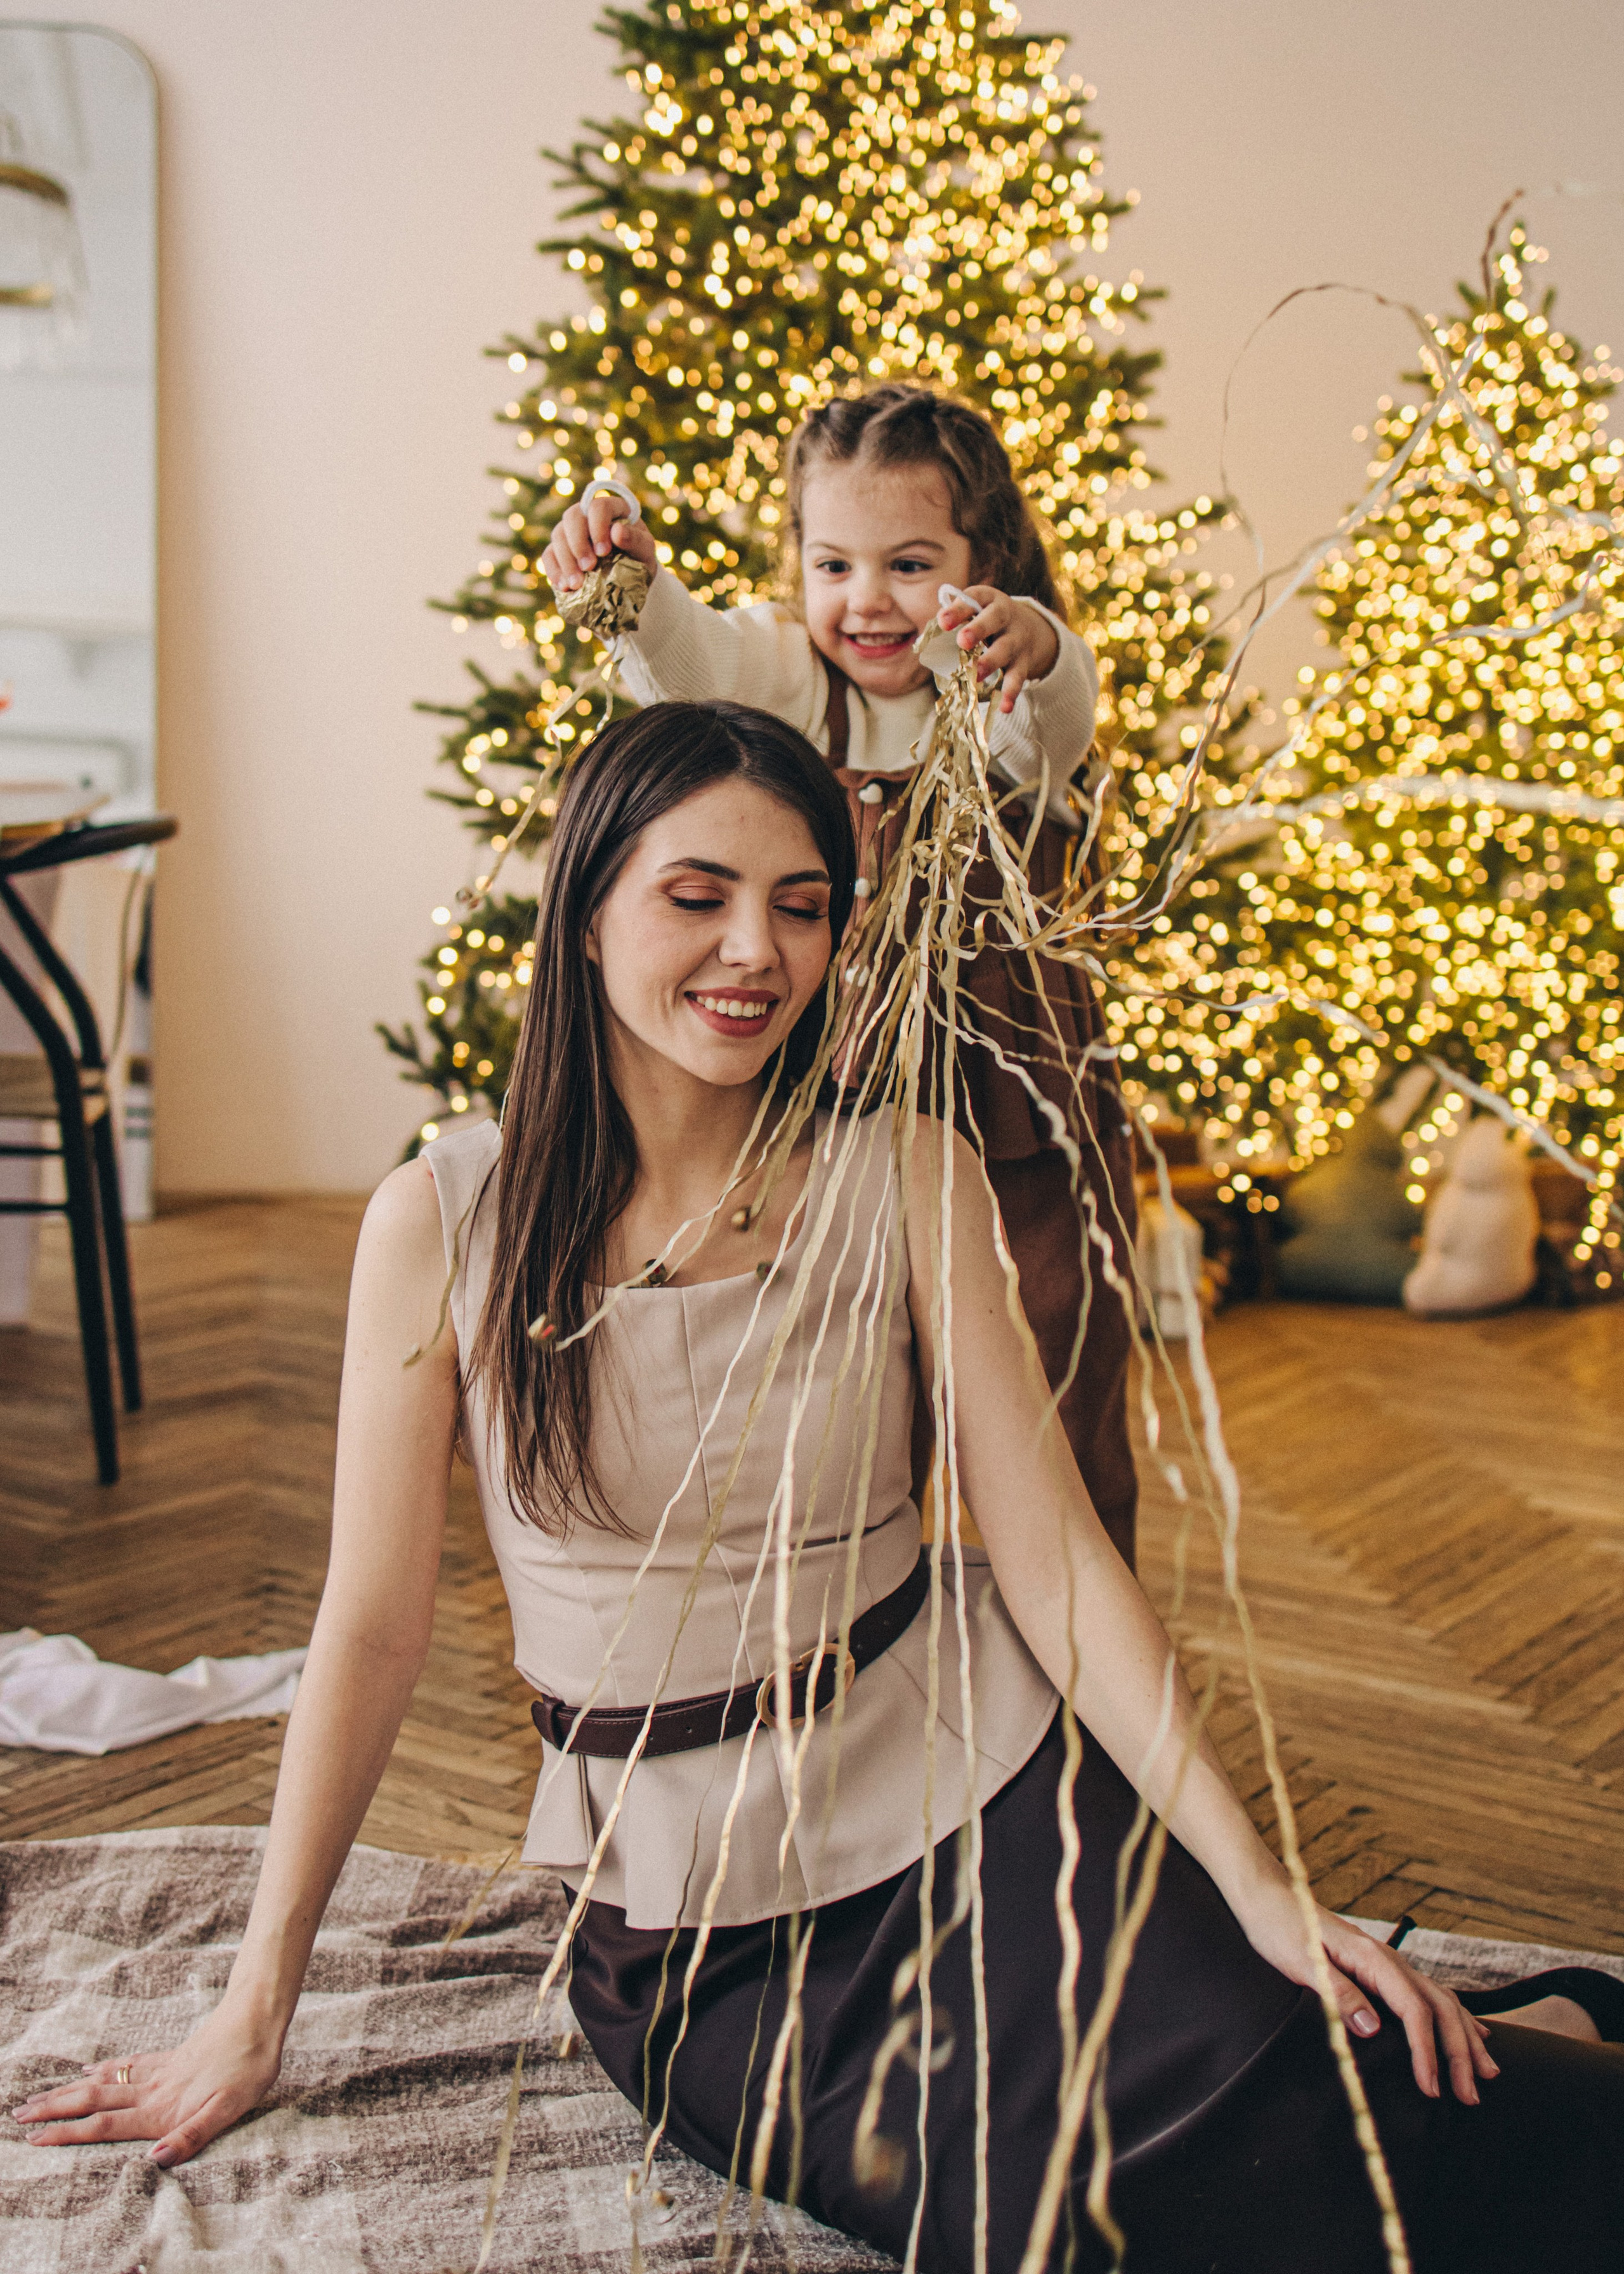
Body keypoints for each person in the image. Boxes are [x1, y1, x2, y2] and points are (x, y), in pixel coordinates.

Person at [14, 704, 1622, 2274]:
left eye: (799, 906)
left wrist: (1255, 1881)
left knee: (1308, 2102)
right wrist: (255, 2004)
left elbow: (1051, 1561)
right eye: (694, 898)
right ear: (584, 917)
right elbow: (368, 1632)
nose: (752, 953)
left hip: (981, 1795)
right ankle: (1541, 2032)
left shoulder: (900, 1168)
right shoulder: (446, 1219)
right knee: (1089, 2217)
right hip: (701, 1933)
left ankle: (1548, 2042)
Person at [542, 386, 1141, 1570]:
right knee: (864, 1386)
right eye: (834, 564)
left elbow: (1056, 722)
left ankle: (1082, 1652)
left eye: (911, 564)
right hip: (849, 1098)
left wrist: (1041, 646)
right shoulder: (780, 675)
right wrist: (624, 558)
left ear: (986, 566)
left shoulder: (998, 695)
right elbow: (684, 650)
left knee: (1059, 1376)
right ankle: (883, 1619)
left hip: (1018, 1097)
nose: (867, 601)